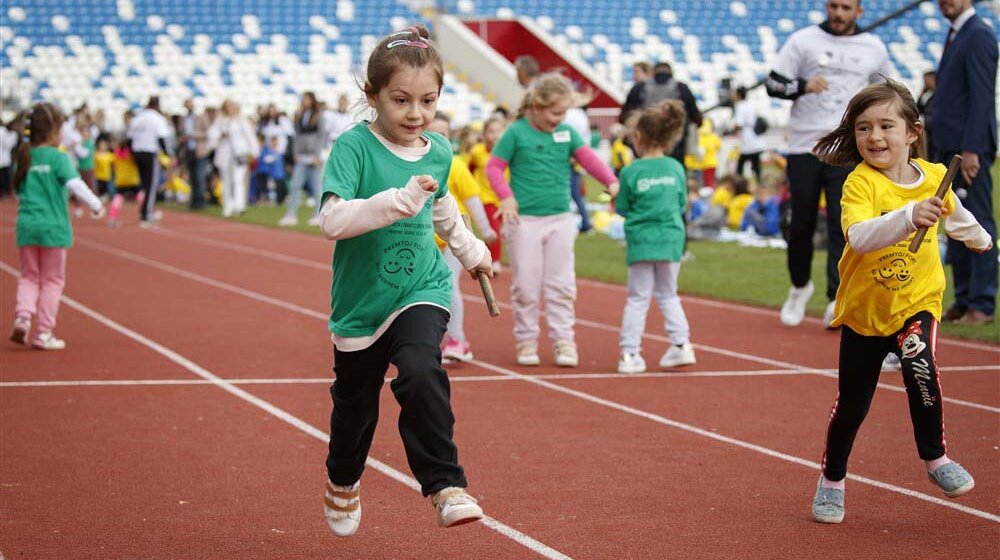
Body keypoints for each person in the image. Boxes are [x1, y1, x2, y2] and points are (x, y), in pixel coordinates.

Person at [313, 25, 490, 538]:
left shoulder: (438, 148)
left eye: (428, 100)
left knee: (419, 370)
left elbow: (443, 206)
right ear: (371, 96)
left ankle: (446, 486)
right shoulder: (353, 148)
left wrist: (471, 251)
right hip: (361, 303)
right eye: (401, 100)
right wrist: (397, 201)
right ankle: (342, 481)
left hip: (421, 288)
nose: (416, 113)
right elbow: (332, 221)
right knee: (355, 411)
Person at [808, 79, 992, 524]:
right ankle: (832, 480)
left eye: (886, 126)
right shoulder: (859, 185)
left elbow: (957, 216)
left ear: (912, 131)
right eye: (863, 128)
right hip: (866, 312)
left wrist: (979, 239)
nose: (874, 137)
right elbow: (860, 236)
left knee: (920, 362)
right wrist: (909, 216)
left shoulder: (933, 176)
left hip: (917, 301)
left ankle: (935, 458)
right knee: (853, 403)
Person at [765, 0, 891, 328]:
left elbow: (887, 94)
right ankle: (799, 286)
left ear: (859, 12)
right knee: (800, 224)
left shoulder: (873, 47)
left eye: (846, 8)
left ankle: (837, 297)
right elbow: (773, 83)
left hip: (847, 148)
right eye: (834, 6)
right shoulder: (803, 40)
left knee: (844, 225)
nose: (838, 13)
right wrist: (802, 86)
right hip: (804, 146)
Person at [486, 72, 619, 367]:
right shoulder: (516, 132)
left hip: (560, 218)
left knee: (561, 284)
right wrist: (506, 197)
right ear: (536, 106)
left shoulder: (567, 133)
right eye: (555, 112)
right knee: (526, 284)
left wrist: (611, 182)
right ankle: (526, 340)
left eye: (564, 113)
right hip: (525, 222)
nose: (559, 119)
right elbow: (494, 168)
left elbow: (589, 159)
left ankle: (563, 341)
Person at [10, 103, 105, 350]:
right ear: (53, 131)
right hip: (53, 228)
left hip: (27, 227)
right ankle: (44, 332)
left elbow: (19, 191)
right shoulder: (58, 157)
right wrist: (95, 204)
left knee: (29, 277)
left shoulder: (25, 156)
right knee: (52, 280)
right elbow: (76, 185)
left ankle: (23, 316)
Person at [614, 100, 697, 374]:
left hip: (642, 239)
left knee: (638, 297)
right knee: (668, 294)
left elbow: (623, 207)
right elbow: (682, 201)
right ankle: (681, 345)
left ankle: (630, 353)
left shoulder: (630, 171)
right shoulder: (675, 168)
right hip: (671, 238)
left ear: (638, 137)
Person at [930, 0, 998, 325]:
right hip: (948, 149)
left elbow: (983, 96)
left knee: (978, 220)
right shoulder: (958, 34)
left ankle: (982, 303)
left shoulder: (978, 35)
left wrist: (973, 148)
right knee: (954, 221)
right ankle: (964, 297)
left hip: (966, 150)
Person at [426, 113, 498, 363]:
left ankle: (457, 339)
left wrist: (486, 229)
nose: (437, 139)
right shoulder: (413, 163)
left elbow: (472, 200)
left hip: (454, 237)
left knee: (448, 285)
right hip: (424, 239)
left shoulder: (455, 165)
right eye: (431, 133)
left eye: (443, 135)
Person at [620, 61, 703, 167]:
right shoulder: (682, 88)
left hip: (645, 148)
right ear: (671, 73)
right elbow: (697, 119)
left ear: (653, 72)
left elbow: (623, 117)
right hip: (675, 149)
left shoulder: (640, 88)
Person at [279, 92, 327, 227]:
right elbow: (297, 136)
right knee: (295, 185)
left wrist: (317, 155)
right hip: (301, 157)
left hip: (314, 157)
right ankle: (291, 214)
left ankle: (318, 215)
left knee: (317, 188)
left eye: (307, 99)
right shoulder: (300, 116)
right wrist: (295, 153)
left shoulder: (319, 116)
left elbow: (321, 136)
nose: (304, 101)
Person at [467, 116, 507, 273]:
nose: (495, 135)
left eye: (499, 131)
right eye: (491, 131)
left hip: (505, 198)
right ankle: (494, 261)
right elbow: (468, 169)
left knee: (509, 231)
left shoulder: (509, 151)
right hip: (486, 197)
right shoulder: (477, 152)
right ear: (484, 135)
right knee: (494, 230)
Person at [127, 96, 173, 227]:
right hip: (150, 152)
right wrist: (168, 154)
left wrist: (132, 153)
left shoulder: (138, 118)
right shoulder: (157, 118)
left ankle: (145, 210)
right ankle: (146, 213)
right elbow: (162, 138)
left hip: (137, 152)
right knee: (151, 185)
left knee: (143, 184)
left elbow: (129, 138)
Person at [208, 99, 258, 218]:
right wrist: (219, 136)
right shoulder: (220, 121)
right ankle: (228, 206)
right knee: (226, 180)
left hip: (239, 154)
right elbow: (212, 135)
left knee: (238, 179)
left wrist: (254, 152)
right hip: (225, 153)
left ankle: (240, 205)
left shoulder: (241, 120)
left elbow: (250, 136)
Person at [731, 86, 767, 183]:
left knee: (741, 165)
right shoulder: (749, 105)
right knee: (755, 164)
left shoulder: (740, 106)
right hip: (755, 139)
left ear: (738, 95)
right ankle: (759, 183)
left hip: (748, 141)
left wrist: (731, 132)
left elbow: (739, 123)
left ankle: (740, 184)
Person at [181, 98, 210, 210]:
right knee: (192, 177)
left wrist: (193, 134)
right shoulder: (183, 119)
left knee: (200, 176)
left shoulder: (200, 117)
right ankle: (193, 201)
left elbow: (208, 132)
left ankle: (201, 201)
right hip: (188, 150)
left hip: (200, 150)